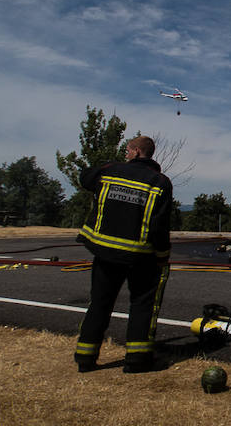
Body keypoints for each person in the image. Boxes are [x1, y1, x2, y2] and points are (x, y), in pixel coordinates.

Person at [73, 135, 172, 373]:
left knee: (99, 302)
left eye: (127, 150)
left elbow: (85, 177)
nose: (125, 154)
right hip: (141, 256)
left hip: (105, 252)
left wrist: (111, 167)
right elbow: (160, 225)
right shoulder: (160, 182)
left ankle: (85, 358)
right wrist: (162, 255)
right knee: (142, 305)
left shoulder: (110, 171)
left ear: (137, 152)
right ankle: (137, 360)